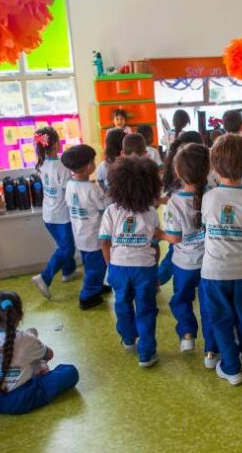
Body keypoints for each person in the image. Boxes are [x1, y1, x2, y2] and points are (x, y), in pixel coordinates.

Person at [200, 134, 242, 385]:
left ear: (214, 166)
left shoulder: (210, 197)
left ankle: (231, 368)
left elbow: (206, 228)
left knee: (221, 321)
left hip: (214, 273)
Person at [0, 291, 79, 415]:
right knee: (70, 371)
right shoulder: (27, 340)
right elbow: (49, 355)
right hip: (18, 399)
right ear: (21, 316)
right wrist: (34, 343)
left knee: (24, 360)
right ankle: (38, 368)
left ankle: (35, 367)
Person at [100, 156, 163, 367]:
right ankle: (146, 353)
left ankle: (128, 338)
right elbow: (154, 244)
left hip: (118, 266)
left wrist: (111, 265)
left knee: (122, 303)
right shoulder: (151, 212)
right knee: (146, 309)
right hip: (144, 269)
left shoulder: (111, 211)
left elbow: (104, 242)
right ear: (150, 187)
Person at [161, 143, 217, 361]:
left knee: (181, 300)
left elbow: (174, 237)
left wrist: (158, 234)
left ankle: (187, 334)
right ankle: (211, 352)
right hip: (210, 263)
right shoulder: (213, 194)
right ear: (208, 168)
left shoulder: (174, 202)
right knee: (209, 306)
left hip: (184, 265)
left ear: (177, 172)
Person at [31, 127, 79, 299]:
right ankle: (44, 277)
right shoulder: (62, 167)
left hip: (48, 216)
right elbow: (69, 191)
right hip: (61, 217)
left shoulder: (42, 163)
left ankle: (69, 271)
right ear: (56, 144)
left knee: (65, 245)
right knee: (67, 248)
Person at [62, 144, 109, 310]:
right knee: (96, 267)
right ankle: (87, 296)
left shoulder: (70, 185)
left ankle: (98, 286)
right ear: (89, 166)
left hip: (80, 235)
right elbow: (105, 208)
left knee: (91, 266)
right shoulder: (92, 189)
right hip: (94, 237)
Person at [158, 132, 204, 286]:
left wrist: (158, 233)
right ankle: (157, 281)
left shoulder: (177, 198)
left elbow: (174, 237)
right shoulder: (210, 192)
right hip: (203, 253)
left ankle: (156, 281)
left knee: (182, 294)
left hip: (185, 254)